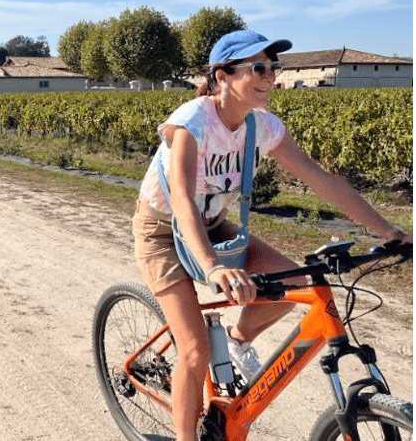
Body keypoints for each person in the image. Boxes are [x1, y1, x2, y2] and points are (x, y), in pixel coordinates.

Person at [133, 29, 410, 440]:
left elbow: (322, 181)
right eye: (258, 67)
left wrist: (391, 232)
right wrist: (213, 269)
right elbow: (183, 202)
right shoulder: (192, 122)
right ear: (222, 76)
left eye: (272, 67)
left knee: (297, 280)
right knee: (194, 351)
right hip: (162, 229)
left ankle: (239, 337)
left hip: (215, 227)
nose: (270, 76)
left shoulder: (261, 126)